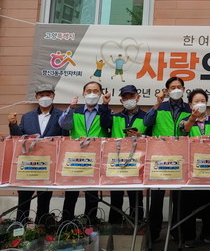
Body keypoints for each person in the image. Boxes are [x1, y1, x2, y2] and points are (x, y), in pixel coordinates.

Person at [142, 77, 192, 244]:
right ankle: (153, 233)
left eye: (179, 87)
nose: (176, 90)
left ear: (183, 89)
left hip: (180, 156)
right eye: (172, 87)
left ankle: (177, 233)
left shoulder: (189, 108)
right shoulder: (160, 106)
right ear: (167, 90)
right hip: (160, 157)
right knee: (156, 198)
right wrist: (156, 104)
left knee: (179, 199)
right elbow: (146, 122)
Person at [8, 83, 66, 223]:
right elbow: (19, 138)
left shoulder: (62, 116)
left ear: (53, 96)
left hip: (49, 165)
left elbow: (65, 139)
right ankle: (20, 226)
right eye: (41, 95)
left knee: (44, 199)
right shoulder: (27, 116)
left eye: (48, 94)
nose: (45, 97)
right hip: (28, 165)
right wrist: (13, 124)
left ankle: (42, 226)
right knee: (24, 198)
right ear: (36, 97)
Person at [59, 81, 111, 222]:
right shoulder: (75, 111)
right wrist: (71, 108)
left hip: (96, 158)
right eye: (88, 91)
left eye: (95, 91)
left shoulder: (105, 111)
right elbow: (64, 124)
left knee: (92, 194)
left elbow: (107, 124)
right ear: (83, 93)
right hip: (75, 157)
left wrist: (105, 105)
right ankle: (66, 223)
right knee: (71, 193)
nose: (92, 94)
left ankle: (90, 224)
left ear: (100, 93)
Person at [99, 84, 147, 225]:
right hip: (117, 162)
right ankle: (114, 226)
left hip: (137, 162)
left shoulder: (146, 117)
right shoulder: (115, 117)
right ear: (121, 101)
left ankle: (137, 225)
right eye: (125, 98)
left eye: (131, 96)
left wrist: (140, 136)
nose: (128, 100)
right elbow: (104, 123)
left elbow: (151, 138)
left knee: (136, 197)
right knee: (116, 196)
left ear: (138, 97)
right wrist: (105, 105)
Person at [178, 89, 210, 247]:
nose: (200, 104)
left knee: (209, 203)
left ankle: (208, 234)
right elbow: (184, 131)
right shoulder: (184, 120)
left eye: (203, 101)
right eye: (196, 101)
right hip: (190, 169)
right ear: (190, 105)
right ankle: (188, 236)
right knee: (188, 203)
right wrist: (192, 118)